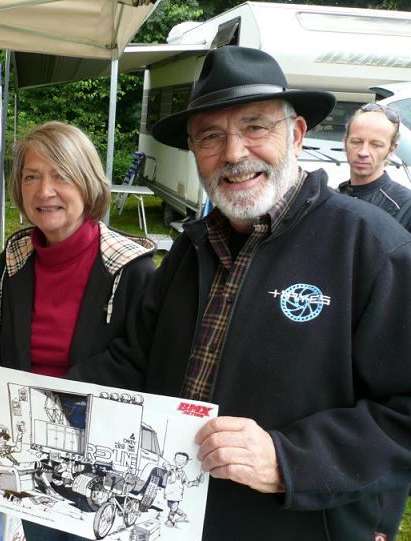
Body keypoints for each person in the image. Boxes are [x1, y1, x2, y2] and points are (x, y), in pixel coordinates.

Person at [68, 46, 411, 540]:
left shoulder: (373, 250)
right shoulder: (191, 247)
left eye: (255, 126)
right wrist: (29, 405)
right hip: (175, 520)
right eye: (210, 136)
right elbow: (134, 359)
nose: (233, 153)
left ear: (295, 134)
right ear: (194, 151)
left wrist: (287, 459)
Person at [0, 121, 156, 540]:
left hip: (97, 451)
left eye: (61, 175)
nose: (44, 191)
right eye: (31, 177)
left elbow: (140, 361)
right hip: (26, 442)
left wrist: (52, 401)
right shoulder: (11, 264)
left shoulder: (132, 270)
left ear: (88, 184)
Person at [338, 102, 411, 231]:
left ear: (391, 149)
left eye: (376, 145)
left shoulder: (405, 207)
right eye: (356, 142)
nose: (363, 152)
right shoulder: (331, 198)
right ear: (345, 142)